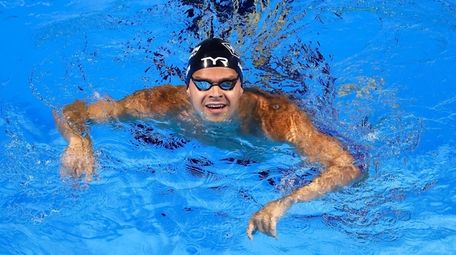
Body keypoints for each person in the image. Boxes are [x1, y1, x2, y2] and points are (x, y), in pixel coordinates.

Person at [53, 38, 361, 240]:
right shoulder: (162, 104)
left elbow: (347, 166)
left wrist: (287, 201)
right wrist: (78, 142)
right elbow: (72, 111)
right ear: (187, 88)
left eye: (227, 83)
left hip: (269, 136)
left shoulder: (276, 120)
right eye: (202, 84)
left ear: (242, 87)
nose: (215, 93)